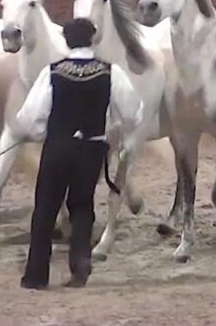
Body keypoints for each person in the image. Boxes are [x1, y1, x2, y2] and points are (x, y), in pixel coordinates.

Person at [15, 18, 143, 289]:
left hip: (58, 145)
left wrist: (41, 133)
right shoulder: (110, 72)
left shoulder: (53, 72)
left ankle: (36, 275)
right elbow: (133, 112)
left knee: (45, 208)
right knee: (82, 206)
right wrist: (114, 128)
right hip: (92, 148)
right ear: (92, 39)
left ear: (66, 40)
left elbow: (30, 116)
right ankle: (80, 262)